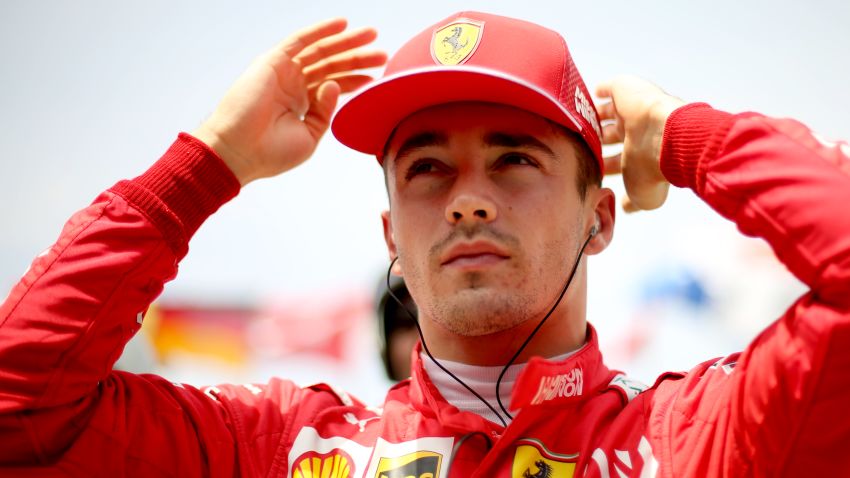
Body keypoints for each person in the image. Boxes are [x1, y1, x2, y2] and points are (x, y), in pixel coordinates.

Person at [1, 10, 848, 477]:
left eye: (515, 160)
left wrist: (685, 135)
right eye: (429, 168)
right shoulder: (276, 448)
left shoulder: (701, 434)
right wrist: (202, 168)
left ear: (601, 220)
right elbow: (19, 410)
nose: (469, 202)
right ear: (391, 242)